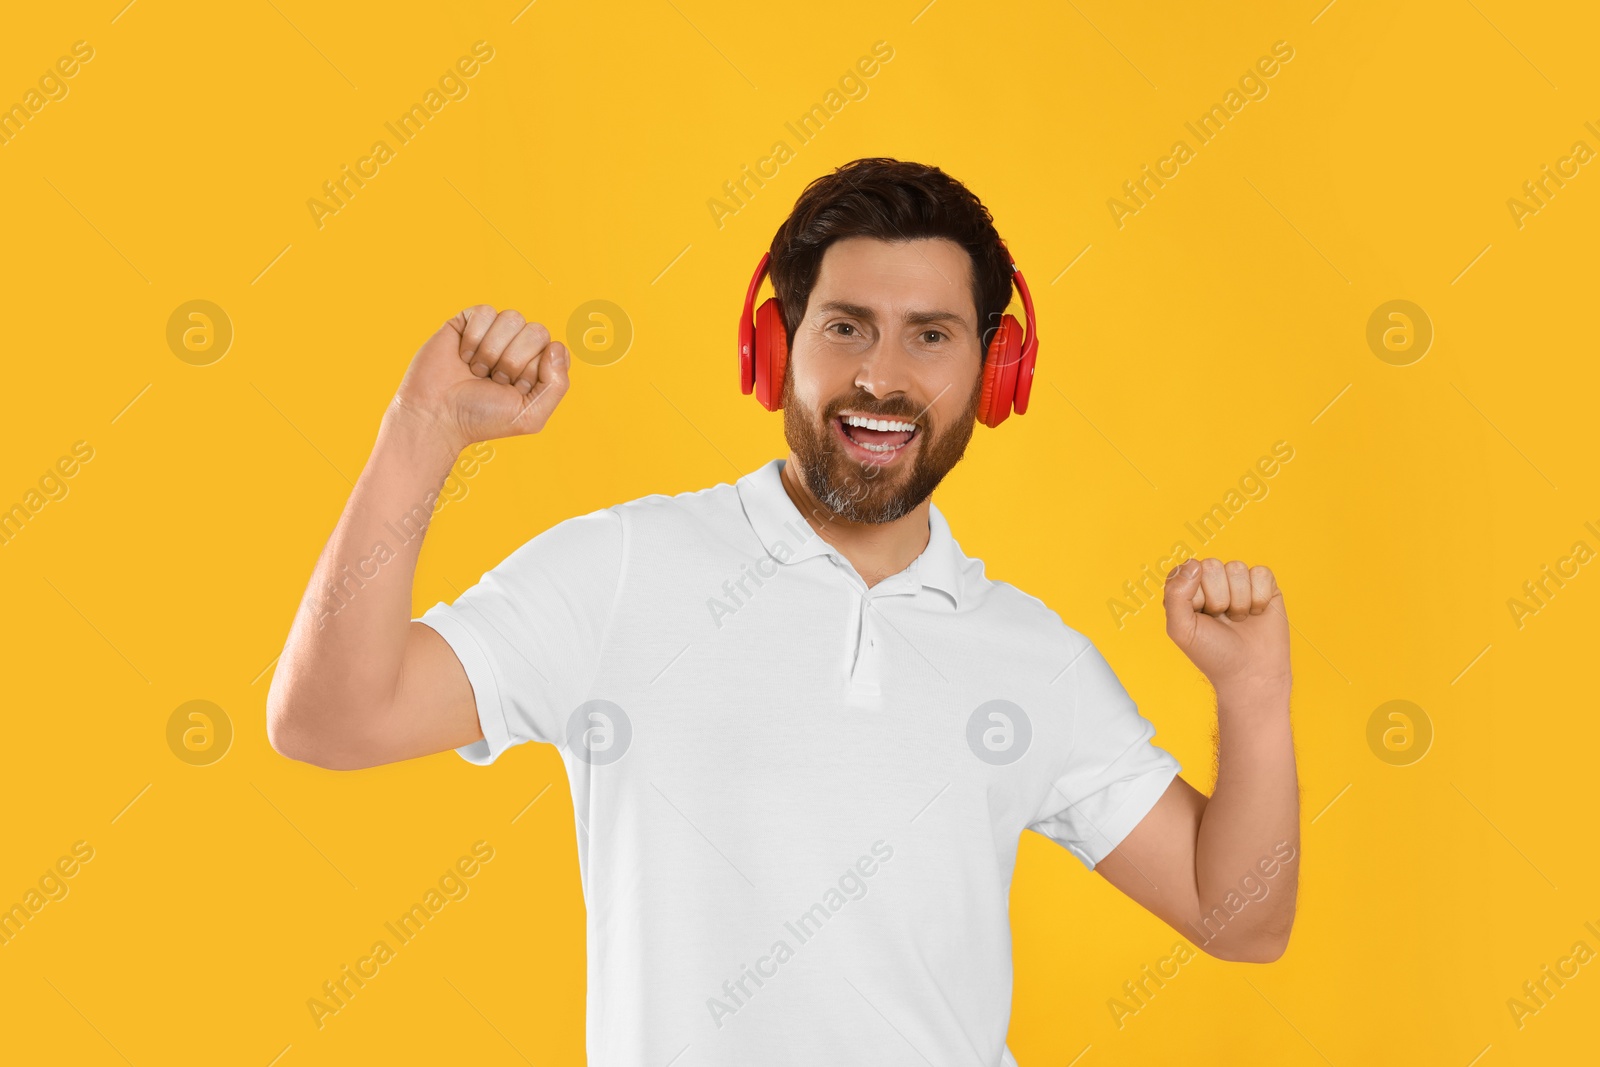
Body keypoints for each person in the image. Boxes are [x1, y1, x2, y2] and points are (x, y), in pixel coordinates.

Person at [267, 157, 1299, 1066]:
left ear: (995, 371)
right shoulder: (625, 567)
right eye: (845, 326)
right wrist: (422, 429)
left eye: (929, 335)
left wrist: (1252, 692)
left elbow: (1240, 916)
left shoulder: (1030, 655)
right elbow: (330, 717)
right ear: (772, 347)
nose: (880, 376)